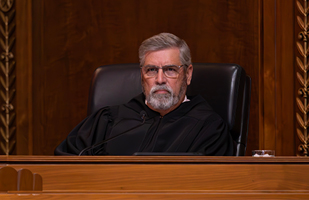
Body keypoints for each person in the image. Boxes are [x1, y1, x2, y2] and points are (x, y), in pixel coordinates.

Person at [55, 33, 235, 156]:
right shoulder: (108, 120)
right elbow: (65, 164)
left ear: (187, 74)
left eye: (170, 70)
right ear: (142, 75)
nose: (160, 79)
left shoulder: (208, 128)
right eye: (151, 70)